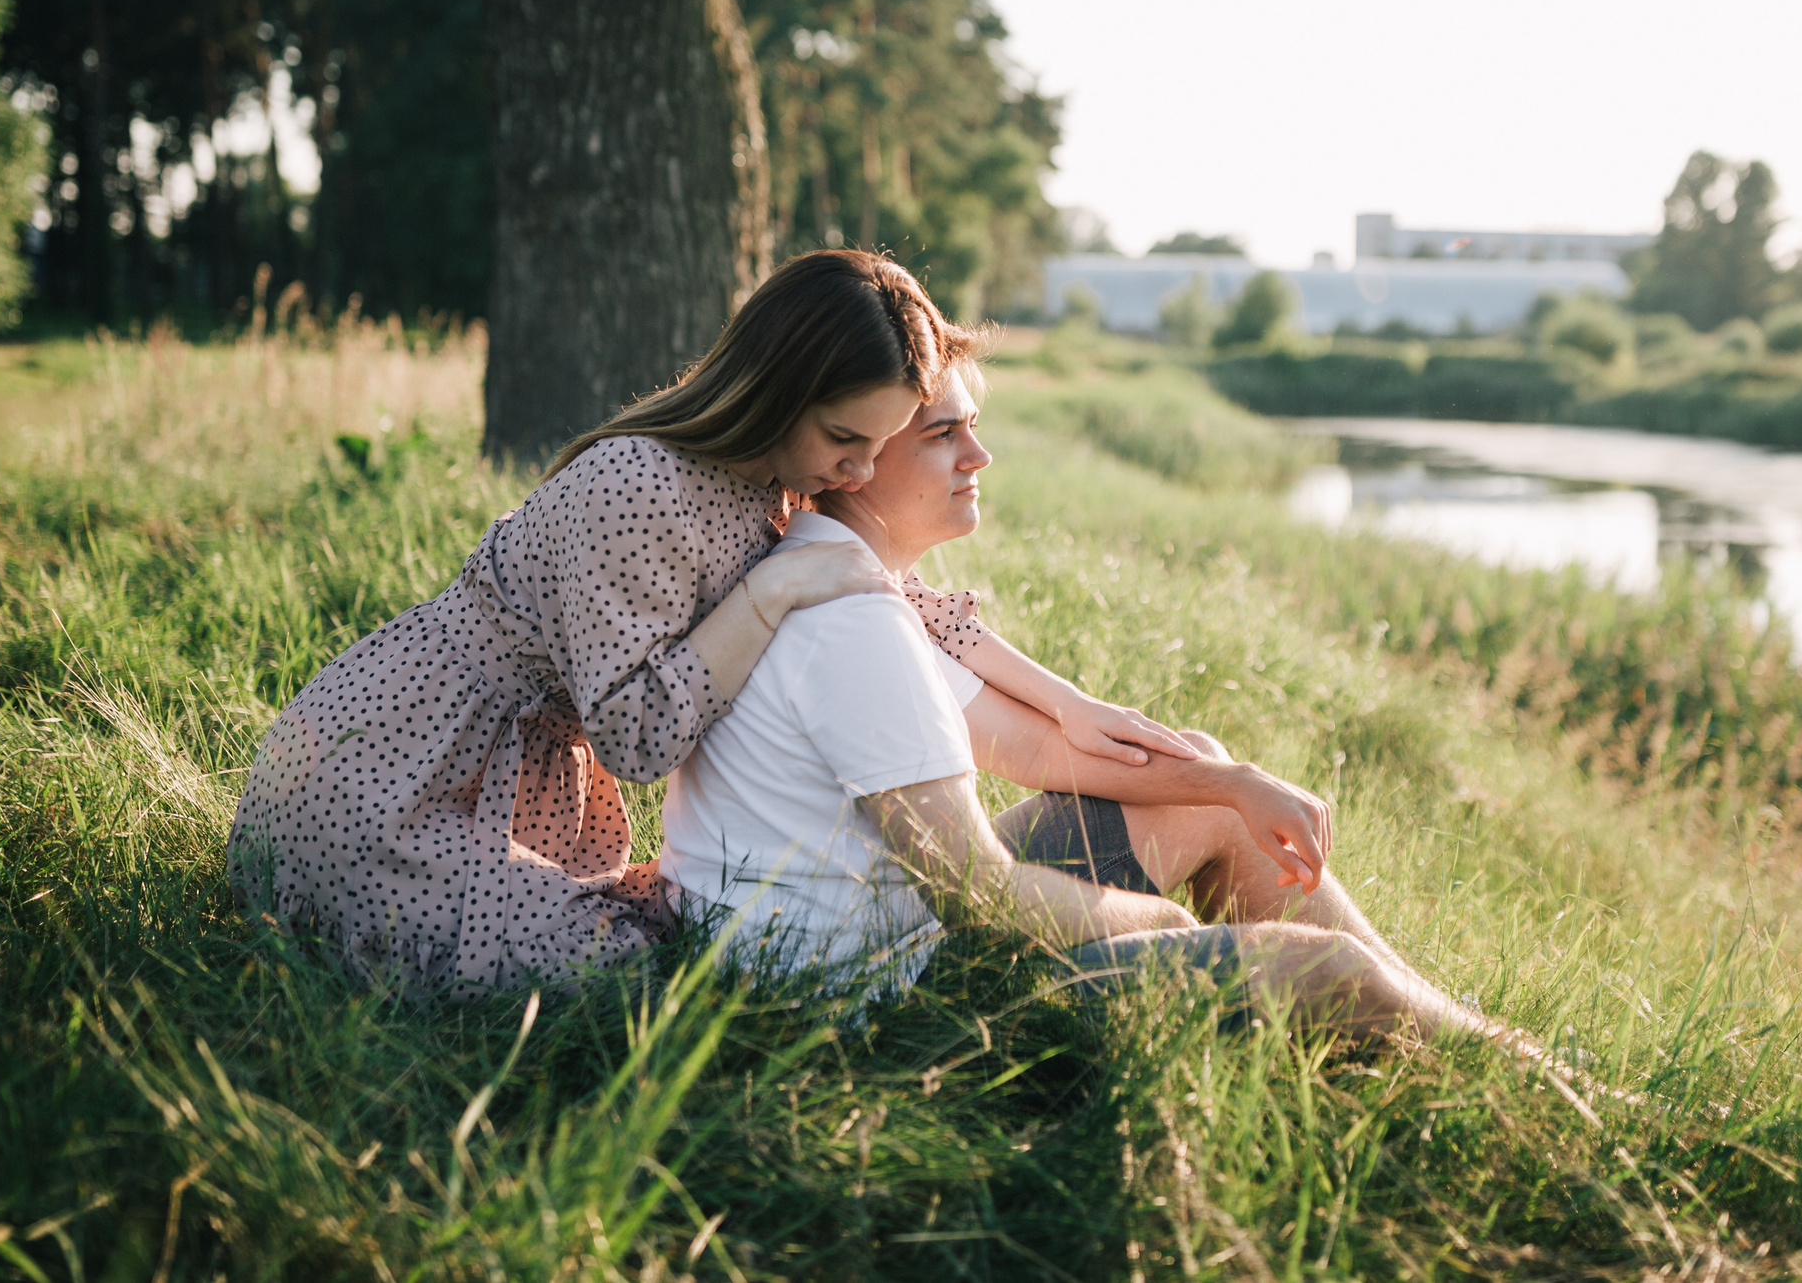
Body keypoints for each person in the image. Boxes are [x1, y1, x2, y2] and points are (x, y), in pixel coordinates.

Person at [226, 251, 1200, 993]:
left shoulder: (781, 475)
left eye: (879, 445)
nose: (862, 472)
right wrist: (768, 598)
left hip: (502, 774)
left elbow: (899, 601)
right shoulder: (640, 485)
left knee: (674, 970)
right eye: (846, 440)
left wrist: (1068, 705)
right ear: (778, 392)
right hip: (388, 781)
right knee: (640, 990)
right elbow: (636, 741)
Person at [657, 362, 1532, 1047]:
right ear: (853, 458)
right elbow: (976, 894)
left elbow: (1037, 750)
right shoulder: (854, 625)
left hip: (882, 929)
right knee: (1331, 969)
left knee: (1210, 795)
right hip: (882, 1009)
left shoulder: (832, 571)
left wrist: (1230, 782)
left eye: (974, 425)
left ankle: (1456, 1024)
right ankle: (1504, 1063)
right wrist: (1158, 921)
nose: (978, 455)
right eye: (943, 433)